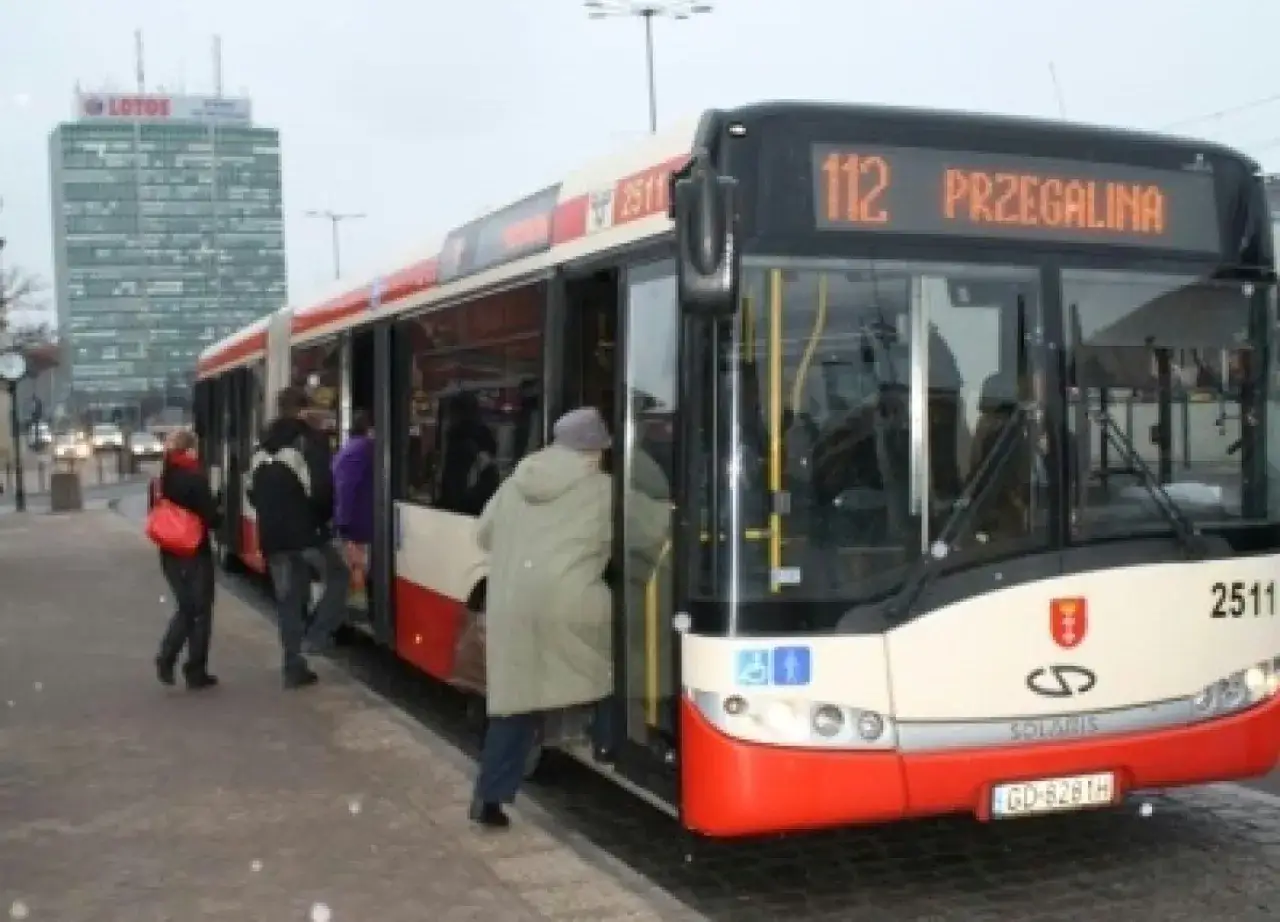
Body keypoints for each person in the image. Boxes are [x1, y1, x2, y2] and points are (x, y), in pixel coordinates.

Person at [468, 407, 668, 829]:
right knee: (618, 670)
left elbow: (483, 534)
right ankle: (610, 746)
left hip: (513, 607)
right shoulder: (603, 490)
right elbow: (656, 531)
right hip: (573, 604)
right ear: (595, 450)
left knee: (513, 706)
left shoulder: (516, 483)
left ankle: (489, 798)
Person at [248, 386, 349, 688]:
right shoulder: (308, 442)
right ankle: (316, 636)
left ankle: (293, 668)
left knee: (289, 600)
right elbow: (322, 491)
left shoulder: (261, 448)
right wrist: (321, 523)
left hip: (272, 538)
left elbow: (252, 493)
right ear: (303, 409)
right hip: (306, 534)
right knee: (338, 575)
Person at [154, 429, 221, 690]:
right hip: (194, 551)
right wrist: (219, 510)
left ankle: (167, 657)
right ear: (190, 449)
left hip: (169, 550)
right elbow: (211, 517)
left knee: (185, 606)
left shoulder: (164, 476)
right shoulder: (195, 477)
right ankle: (194, 669)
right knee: (201, 610)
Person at [333, 409, 375, 607]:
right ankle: (356, 607)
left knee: (356, 566)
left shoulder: (348, 449)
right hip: (359, 523)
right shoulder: (363, 449)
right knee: (358, 567)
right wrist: (346, 523)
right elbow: (347, 488)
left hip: (352, 521)